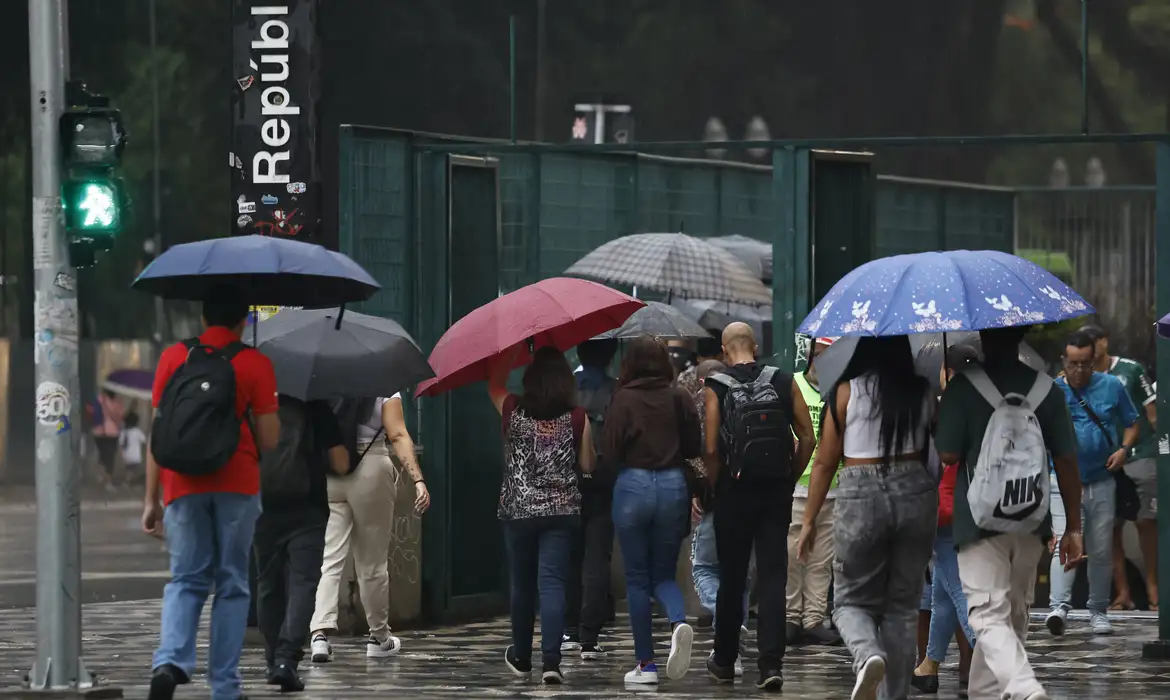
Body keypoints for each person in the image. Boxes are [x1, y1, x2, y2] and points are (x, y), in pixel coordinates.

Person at [142, 289, 281, 700]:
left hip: (181, 485)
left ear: (203, 318)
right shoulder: (255, 363)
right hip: (237, 485)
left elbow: (158, 435)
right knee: (232, 583)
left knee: (186, 579)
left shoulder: (174, 357)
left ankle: (170, 662)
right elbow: (270, 439)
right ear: (243, 321)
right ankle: (224, 687)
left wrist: (151, 500)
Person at [936, 325, 1084, 700]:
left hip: (979, 522)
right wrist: (1073, 527)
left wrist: (947, 410)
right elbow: (1066, 460)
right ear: (1022, 335)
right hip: (1032, 518)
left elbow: (948, 453)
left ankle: (1023, 687)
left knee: (987, 615)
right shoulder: (1046, 389)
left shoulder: (963, 386)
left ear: (982, 336)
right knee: (1013, 617)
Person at [796, 335, 934, 700]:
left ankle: (868, 654)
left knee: (850, 603)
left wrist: (809, 520)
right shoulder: (922, 392)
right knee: (903, 608)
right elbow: (934, 451)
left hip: (862, 493)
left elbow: (825, 462)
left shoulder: (846, 391)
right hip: (915, 493)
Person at [706, 323, 816, 691]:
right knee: (772, 575)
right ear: (755, 346)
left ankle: (724, 660)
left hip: (733, 493)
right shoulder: (784, 381)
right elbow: (808, 437)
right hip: (775, 493)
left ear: (725, 351)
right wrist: (789, 477)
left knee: (732, 576)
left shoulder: (716, 386)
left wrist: (716, 485)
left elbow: (711, 448)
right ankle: (771, 664)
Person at [490, 345, 595, 684]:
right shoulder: (577, 416)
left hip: (518, 510)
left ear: (530, 378)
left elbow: (493, 384)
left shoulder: (512, 409)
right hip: (561, 511)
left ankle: (522, 657)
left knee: (522, 585)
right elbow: (588, 464)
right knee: (552, 583)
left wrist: (511, 350)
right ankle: (551, 662)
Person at [604, 335, 702, 685]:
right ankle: (678, 622)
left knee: (637, 578)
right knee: (663, 575)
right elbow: (694, 446)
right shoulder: (679, 396)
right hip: (673, 485)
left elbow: (609, 451)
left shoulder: (622, 398)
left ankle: (646, 665)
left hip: (633, 484)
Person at [309, 393, 430, 662]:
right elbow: (397, 434)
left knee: (330, 558)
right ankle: (379, 637)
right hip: (371, 465)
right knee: (372, 563)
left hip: (331, 467)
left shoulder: (327, 381)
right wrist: (418, 480)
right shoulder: (384, 385)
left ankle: (319, 635)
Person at [1046, 330, 1140, 636]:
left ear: (1094, 361)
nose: (1078, 370)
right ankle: (1058, 607)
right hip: (1061, 480)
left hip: (1101, 479)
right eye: (1072, 363)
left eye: (1085, 363)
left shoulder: (1112, 386)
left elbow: (1132, 422)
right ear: (1064, 361)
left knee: (1100, 549)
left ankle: (1097, 609)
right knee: (1063, 541)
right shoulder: (1052, 391)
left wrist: (1124, 450)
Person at [254, 396, 349, 692]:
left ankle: (273, 661)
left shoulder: (252, 404)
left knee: (268, 586)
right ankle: (286, 659)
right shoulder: (316, 407)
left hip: (263, 508)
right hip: (308, 510)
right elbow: (341, 463)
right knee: (304, 584)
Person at [913, 344, 981, 696]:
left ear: (948, 373)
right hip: (973, 506)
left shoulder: (945, 408)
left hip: (945, 510)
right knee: (941, 593)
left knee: (958, 590)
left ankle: (992, 659)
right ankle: (929, 665)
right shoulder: (984, 405)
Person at [1080, 324, 1159, 611]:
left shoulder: (1131, 370)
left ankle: (1153, 588)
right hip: (1105, 459)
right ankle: (1123, 592)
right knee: (1109, 527)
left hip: (1140, 453)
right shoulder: (1081, 377)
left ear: (1104, 341)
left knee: (1146, 520)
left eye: (1095, 341)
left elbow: (1152, 412)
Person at [786, 336, 842, 647]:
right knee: (793, 555)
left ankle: (813, 619)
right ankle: (791, 617)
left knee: (822, 559)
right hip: (799, 485)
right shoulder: (792, 384)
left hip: (834, 486)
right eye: (821, 354)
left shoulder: (842, 389)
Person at [564, 339, 618, 658]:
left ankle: (569, 629)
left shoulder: (566, 388)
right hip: (605, 480)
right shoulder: (617, 390)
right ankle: (589, 635)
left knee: (570, 555)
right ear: (611, 356)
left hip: (567, 479)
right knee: (598, 556)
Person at [92, 388, 125, 489]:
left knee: (103, 456)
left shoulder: (100, 399)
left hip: (98, 432)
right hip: (112, 433)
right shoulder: (117, 402)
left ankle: (101, 476)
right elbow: (120, 417)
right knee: (110, 457)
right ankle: (108, 481)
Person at [120, 411, 147, 484]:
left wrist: (122, 454)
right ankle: (129, 480)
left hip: (126, 455)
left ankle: (128, 479)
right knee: (133, 469)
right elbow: (144, 440)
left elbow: (121, 444)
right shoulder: (137, 432)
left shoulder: (123, 432)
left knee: (128, 469)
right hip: (135, 456)